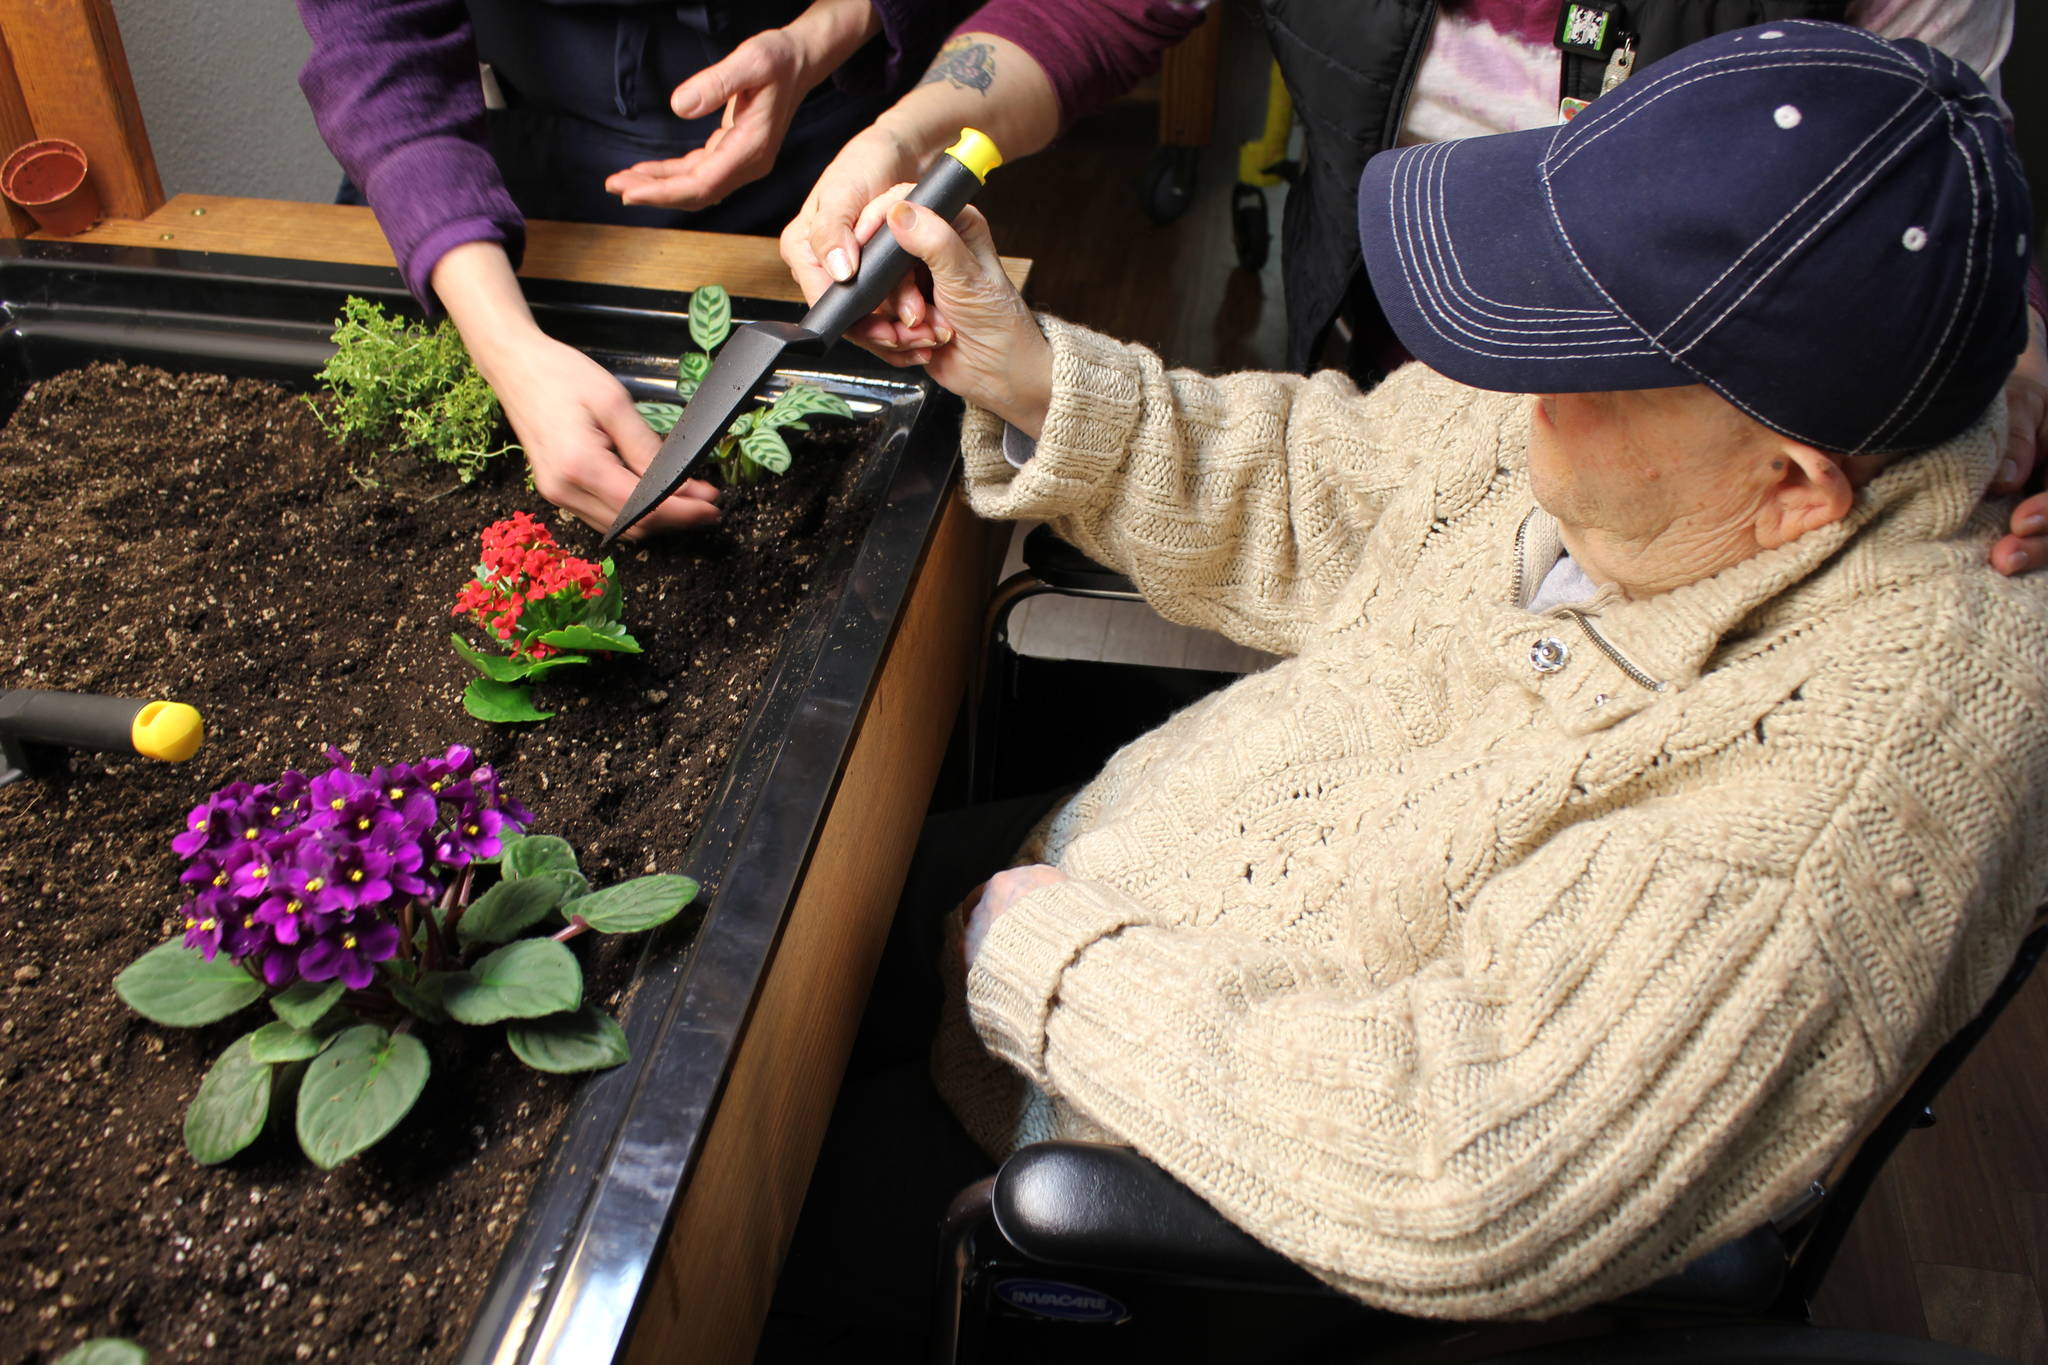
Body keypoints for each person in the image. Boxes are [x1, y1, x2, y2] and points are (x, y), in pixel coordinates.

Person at [817, 21, 2048, 1322]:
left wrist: (1052, 966)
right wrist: (1024, 370)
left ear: (1791, 488)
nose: (1506, 389)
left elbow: (1470, 1159)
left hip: (1139, 1176)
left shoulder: (1855, 773)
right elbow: (1330, 490)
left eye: (1568, 368)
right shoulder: (1675, 419)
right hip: (1083, 902)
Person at [782, 0, 2048, 576]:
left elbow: (1940, 205)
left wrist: (2014, 392)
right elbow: (1343, 484)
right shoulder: (1446, 447)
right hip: (1420, 379)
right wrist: (918, 141)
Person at [293, 0, 956, 537]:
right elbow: (376, 37)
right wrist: (507, 348)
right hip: (498, 157)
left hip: (815, 131)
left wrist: (823, 35)